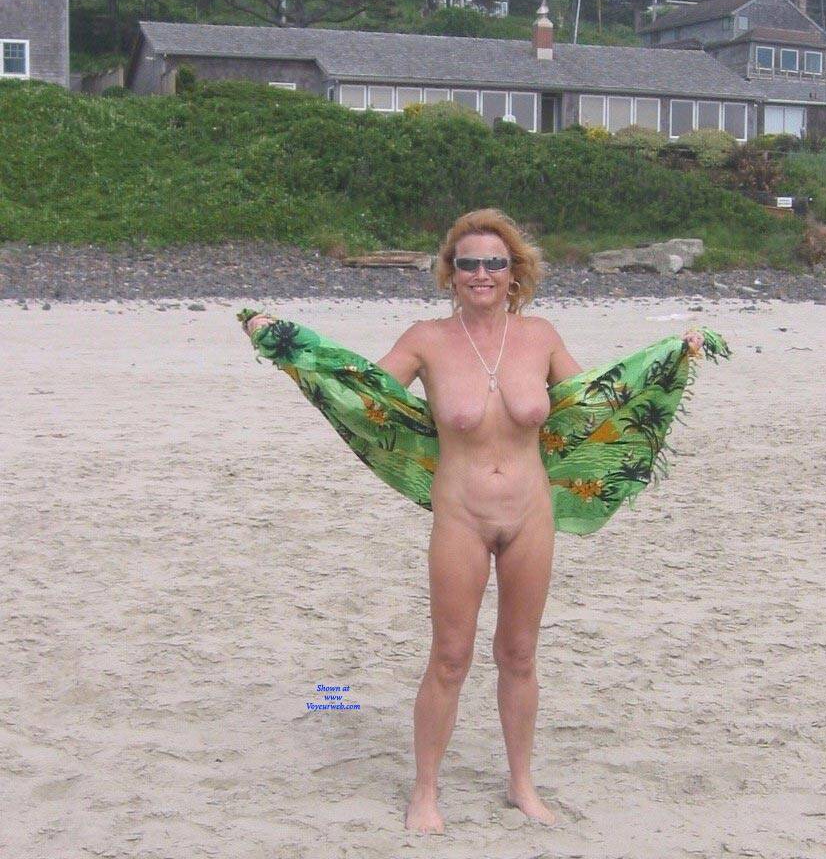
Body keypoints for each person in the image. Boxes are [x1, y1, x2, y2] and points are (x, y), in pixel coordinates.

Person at [240, 208, 718, 835]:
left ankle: (522, 784)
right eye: (469, 264)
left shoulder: (540, 336)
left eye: (495, 262)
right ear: (451, 272)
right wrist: (289, 345)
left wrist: (671, 358)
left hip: (530, 516)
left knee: (519, 655)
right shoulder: (426, 339)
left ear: (514, 271)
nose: (482, 274)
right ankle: (425, 791)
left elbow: (597, 402)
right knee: (449, 657)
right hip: (461, 517)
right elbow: (364, 390)